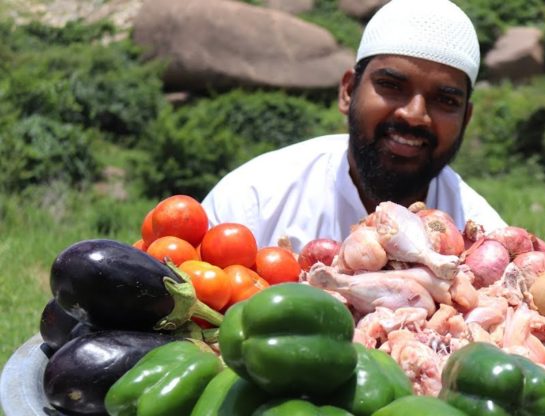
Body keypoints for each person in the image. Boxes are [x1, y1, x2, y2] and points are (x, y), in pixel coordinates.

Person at [201, 0, 507, 252]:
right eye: (391, 85)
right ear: (348, 91)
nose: (414, 115)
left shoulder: (483, 239)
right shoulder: (252, 203)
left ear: (465, 118)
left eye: (445, 100)